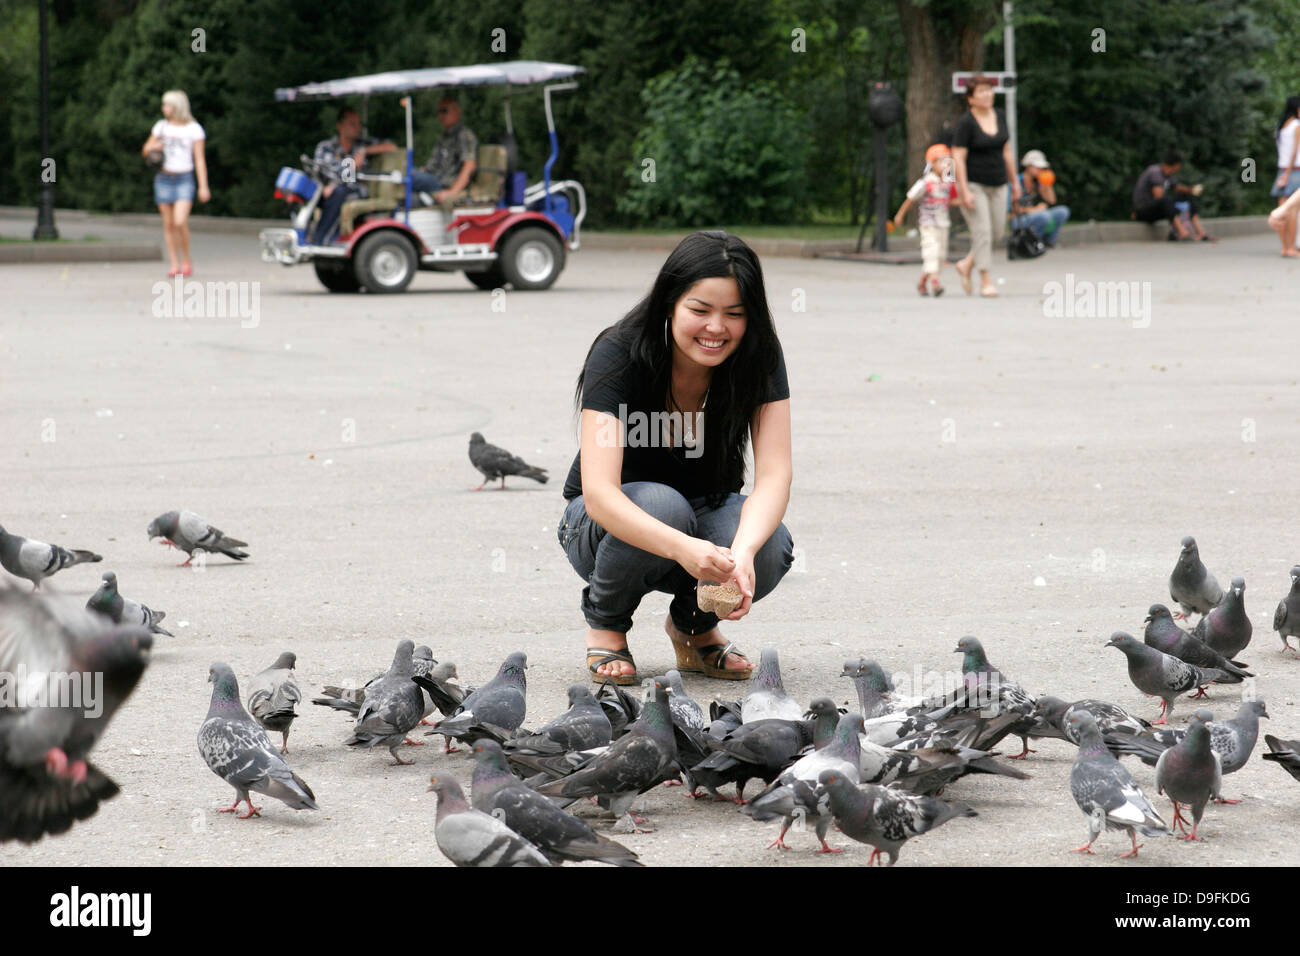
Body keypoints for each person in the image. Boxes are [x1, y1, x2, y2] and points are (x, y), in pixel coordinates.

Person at [559, 231, 794, 685]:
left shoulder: (759, 356)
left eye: (735, 314)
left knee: (769, 543)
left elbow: (775, 474)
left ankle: (694, 629)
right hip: (601, 525)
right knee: (664, 505)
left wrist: (741, 554)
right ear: (670, 303)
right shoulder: (620, 352)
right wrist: (686, 549)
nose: (716, 328)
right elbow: (600, 495)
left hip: (706, 510)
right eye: (700, 311)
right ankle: (605, 623)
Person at [951, 76, 1020, 298]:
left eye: (989, 90)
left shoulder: (999, 116)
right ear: (970, 99)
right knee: (982, 230)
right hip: (974, 183)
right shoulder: (966, 123)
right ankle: (985, 280)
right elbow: (958, 157)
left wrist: (1015, 182)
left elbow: (1007, 151)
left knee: (998, 232)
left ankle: (966, 263)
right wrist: (964, 190)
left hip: (999, 182)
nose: (987, 94)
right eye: (981, 91)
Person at [141, 90, 208, 277]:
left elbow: (200, 159)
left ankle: (186, 258)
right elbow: (145, 149)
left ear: (177, 107)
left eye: (167, 105)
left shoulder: (194, 129)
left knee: (180, 221)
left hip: (184, 178)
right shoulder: (161, 127)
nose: (164, 108)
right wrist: (154, 146)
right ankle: (174, 263)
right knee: (169, 224)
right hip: (163, 178)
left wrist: (203, 186)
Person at [309, 106, 396, 244]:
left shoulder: (362, 144)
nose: (357, 128)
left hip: (355, 190)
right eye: (352, 124)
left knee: (339, 193)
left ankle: (320, 240)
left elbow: (391, 147)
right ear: (340, 126)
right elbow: (319, 172)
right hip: (327, 190)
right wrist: (326, 186)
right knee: (308, 192)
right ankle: (306, 234)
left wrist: (364, 151)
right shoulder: (326, 147)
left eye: (358, 124)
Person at [894, 144, 957, 296]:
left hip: (943, 223)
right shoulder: (926, 182)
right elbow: (911, 198)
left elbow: (952, 200)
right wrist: (900, 214)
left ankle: (923, 281)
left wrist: (967, 201)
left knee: (940, 256)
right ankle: (935, 283)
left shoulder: (948, 182)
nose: (945, 164)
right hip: (928, 224)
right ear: (932, 164)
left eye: (947, 161)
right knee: (931, 252)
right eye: (941, 161)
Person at [408, 95, 478, 204]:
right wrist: (417, 171)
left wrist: (452, 192)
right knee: (406, 170)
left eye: (444, 111)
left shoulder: (464, 135)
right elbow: (432, 166)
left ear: (456, 111)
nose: (440, 115)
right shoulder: (445, 137)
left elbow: (470, 166)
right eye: (439, 112)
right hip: (433, 178)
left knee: (405, 176)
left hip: (443, 183)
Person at [1131, 151, 1215, 242]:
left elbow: (1177, 187)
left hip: (1158, 208)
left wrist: (1191, 190)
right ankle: (1183, 233)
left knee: (1186, 197)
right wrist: (1177, 208)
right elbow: (1158, 197)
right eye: (1179, 166)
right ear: (1176, 165)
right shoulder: (1155, 172)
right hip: (1143, 211)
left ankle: (1201, 233)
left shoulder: (1168, 175)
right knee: (1165, 200)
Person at [1015, 149, 1070, 248]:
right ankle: (1033, 243)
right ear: (1028, 166)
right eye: (1038, 167)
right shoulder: (1016, 182)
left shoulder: (1038, 183)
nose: (1040, 170)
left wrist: (1047, 182)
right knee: (1043, 216)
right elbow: (1014, 211)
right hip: (1017, 219)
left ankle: (1048, 242)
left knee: (1063, 211)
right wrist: (1035, 210)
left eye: (1042, 167)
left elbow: (1052, 200)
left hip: (1034, 216)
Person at [1272, 95, 1300, 257]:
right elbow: (1295, 152)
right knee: (1292, 211)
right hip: (1294, 170)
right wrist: (1288, 173)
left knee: (1281, 210)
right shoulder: (1297, 125)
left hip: (1281, 170)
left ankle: (1285, 247)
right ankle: (1291, 247)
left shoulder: (1280, 126)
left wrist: (1283, 174)